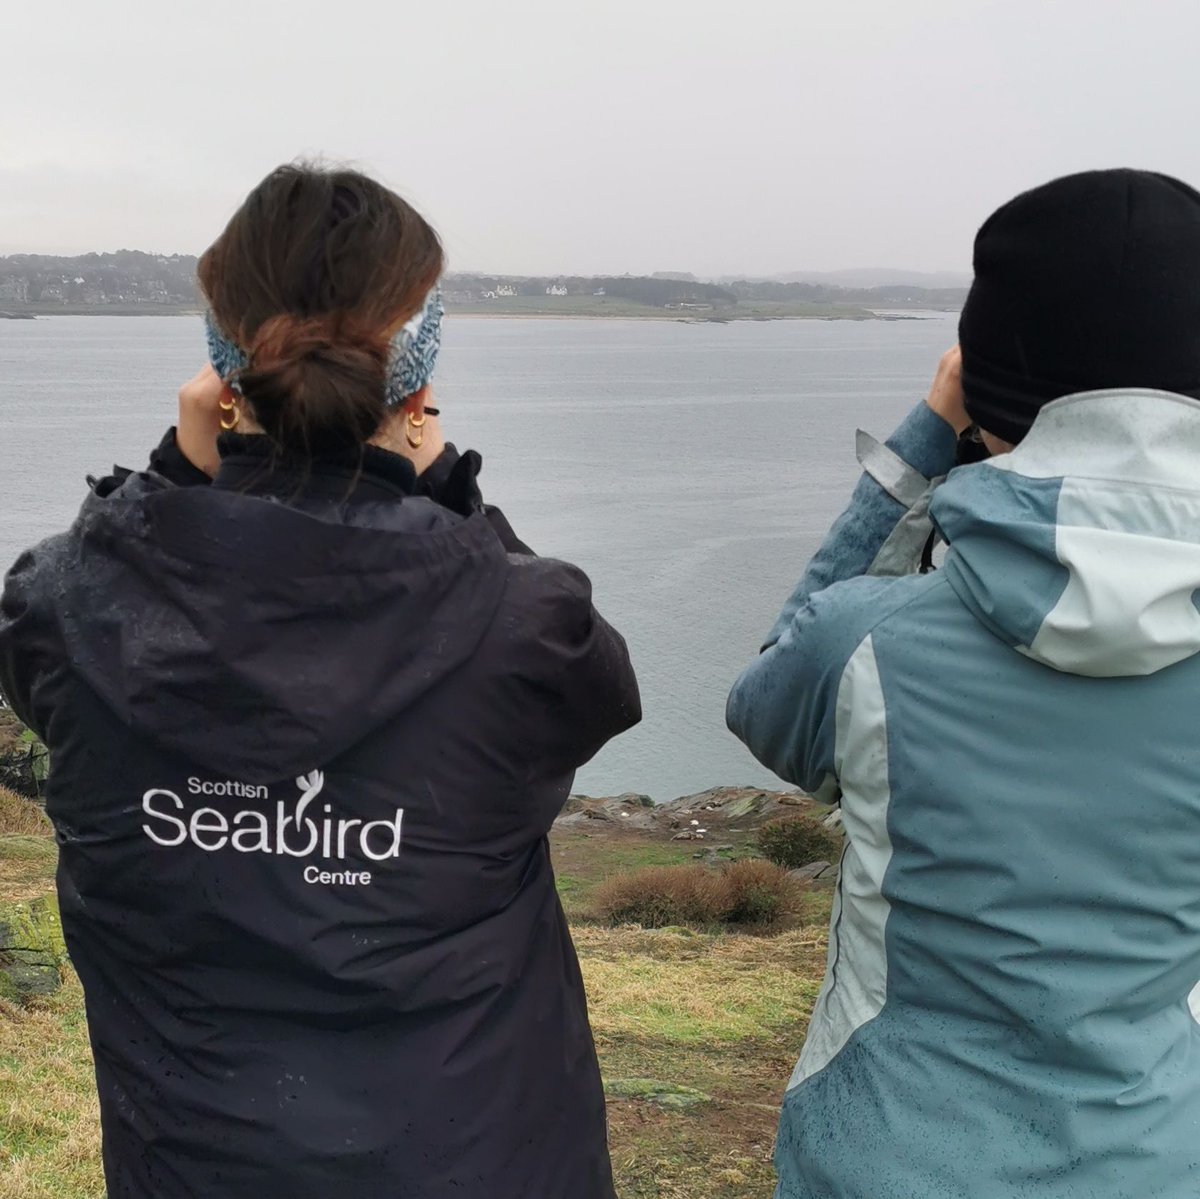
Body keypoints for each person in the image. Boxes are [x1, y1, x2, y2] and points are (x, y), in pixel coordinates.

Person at [0, 163, 641, 1199]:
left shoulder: (66, 605)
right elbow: (596, 684)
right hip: (482, 1162)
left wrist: (175, 474)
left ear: (224, 378)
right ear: (416, 382)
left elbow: (62, 640)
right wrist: (447, 490)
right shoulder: (524, 625)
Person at [728, 168, 1200, 1198]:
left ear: (988, 394)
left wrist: (921, 446)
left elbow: (767, 693)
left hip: (885, 1159)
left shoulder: (865, 644)